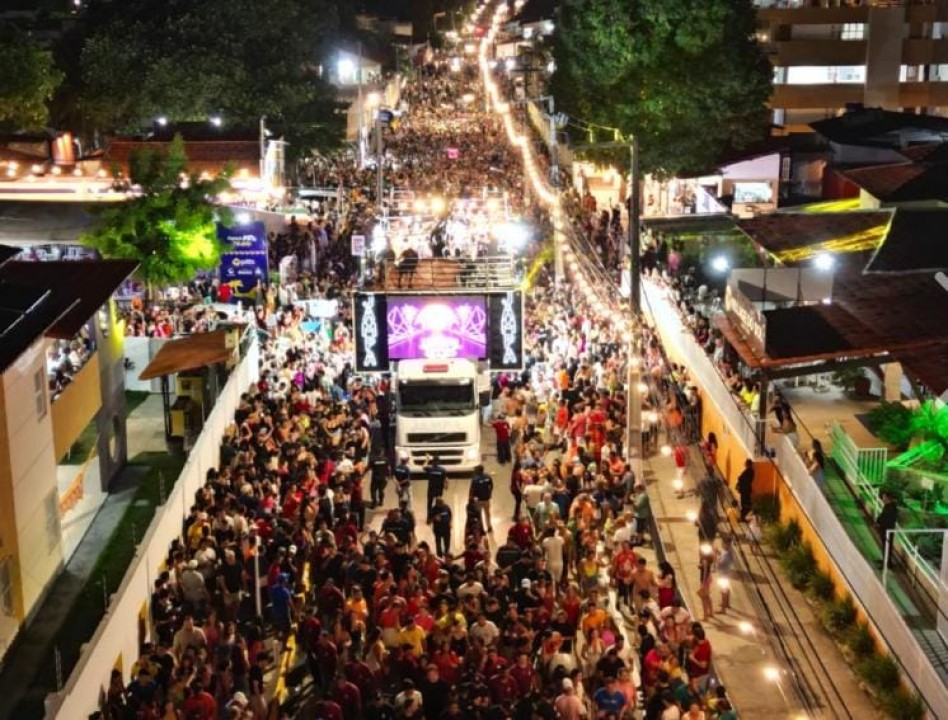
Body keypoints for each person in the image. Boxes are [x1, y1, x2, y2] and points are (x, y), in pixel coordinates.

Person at [877, 491, 899, 568]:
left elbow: (886, 519)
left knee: (887, 547)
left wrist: (880, 522)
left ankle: (887, 563)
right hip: (885, 530)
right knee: (885, 546)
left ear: (887, 498)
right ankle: (885, 561)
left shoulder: (891, 508)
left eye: (884, 497)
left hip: (887, 530)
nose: (882, 499)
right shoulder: (888, 506)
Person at [470, 464, 494, 532]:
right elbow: (491, 486)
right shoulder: (488, 477)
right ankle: (489, 526)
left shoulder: (475, 479)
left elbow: (472, 489)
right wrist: (490, 494)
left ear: (478, 471)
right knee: (488, 514)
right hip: (486, 499)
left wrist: (471, 498)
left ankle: (482, 529)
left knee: (479, 515)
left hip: (479, 500)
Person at [424, 454, 447, 524]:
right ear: (439, 462)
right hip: (439, 489)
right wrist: (446, 486)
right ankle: (438, 517)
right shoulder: (442, 470)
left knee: (429, 504)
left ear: (433, 462)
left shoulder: (430, 469)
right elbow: (445, 479)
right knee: (438, 504)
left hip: (431, 489)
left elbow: (423, 466)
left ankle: (429, 518)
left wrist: (427, 460)